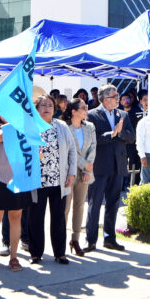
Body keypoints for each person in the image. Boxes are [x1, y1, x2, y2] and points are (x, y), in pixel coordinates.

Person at [85, 84, 134, 251]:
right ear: (105, 99)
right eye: (115, 96)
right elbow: (91, 139)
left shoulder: (123, 114)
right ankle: (90, 240)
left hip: (118, 165)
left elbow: (131, 137)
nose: (118, 98)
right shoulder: (92, 115)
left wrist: (120, 133)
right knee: (95, 204)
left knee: (113, 203)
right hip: (99, 166)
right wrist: (111, 134)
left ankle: (109, 238)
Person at [28, 95, 76, 265]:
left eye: (50, 105)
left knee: (58, 218)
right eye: (43, 105)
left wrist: (71, 173)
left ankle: (60, 253)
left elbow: (72, 150)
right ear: (36, 108)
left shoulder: (61, 126)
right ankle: (35, 254)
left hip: (59, 181)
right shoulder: (31, 126)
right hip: (37, 182)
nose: (47, 108)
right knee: (36, 218)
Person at [0, 113, 31, 272]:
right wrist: (18, 131)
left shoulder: (25, 128)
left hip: (18, 179)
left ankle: (14, 257)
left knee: (16, 218)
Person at [63, 99, 95, 256]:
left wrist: (88, 168)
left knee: (80, 206)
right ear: (74, 111)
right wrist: (85, 164)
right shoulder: (65, 127)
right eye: (83, 108)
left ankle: (75, 239)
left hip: (85, 172)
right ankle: (60, 239)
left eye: (86, 107)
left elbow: (93, 147)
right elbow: (70, 151)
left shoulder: (90, 127)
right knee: (65, 207)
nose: (86, 110)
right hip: (68, 170)